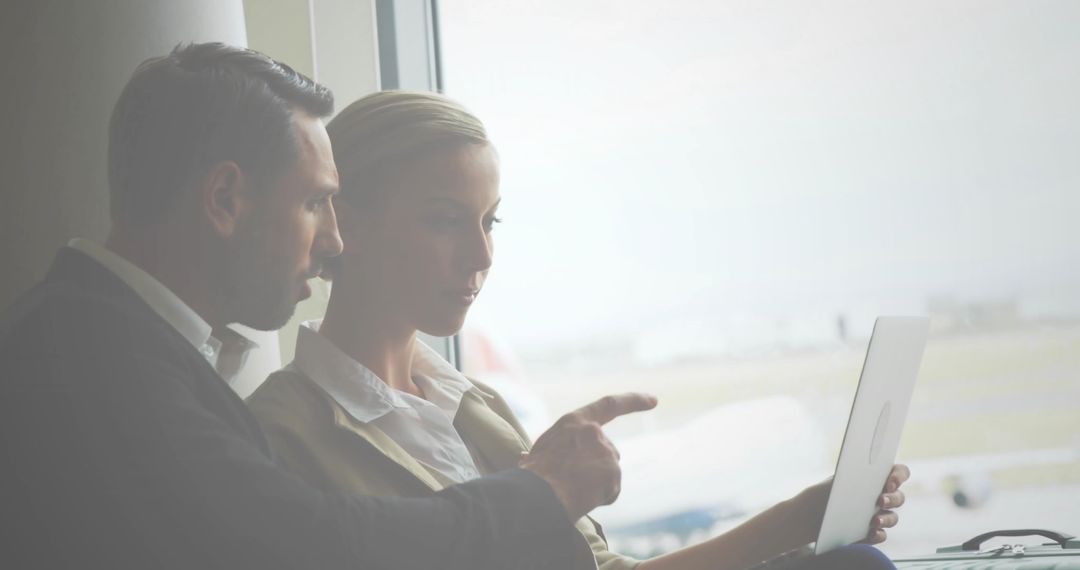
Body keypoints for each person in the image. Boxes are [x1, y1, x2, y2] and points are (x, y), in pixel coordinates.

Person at [0, 43, 656, 569]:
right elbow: (317, 541)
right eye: (315, 203)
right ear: (225, 200)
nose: (333, 238)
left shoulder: (98, 337)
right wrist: (544, 491)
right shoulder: (94, 362)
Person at [247, 90, 910, 570]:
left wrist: (801, 518)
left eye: (490, 223)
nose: (481, 257)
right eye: (446, 220)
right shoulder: (279, 436)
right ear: (347, 223)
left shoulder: (475, 408)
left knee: (854, 563)